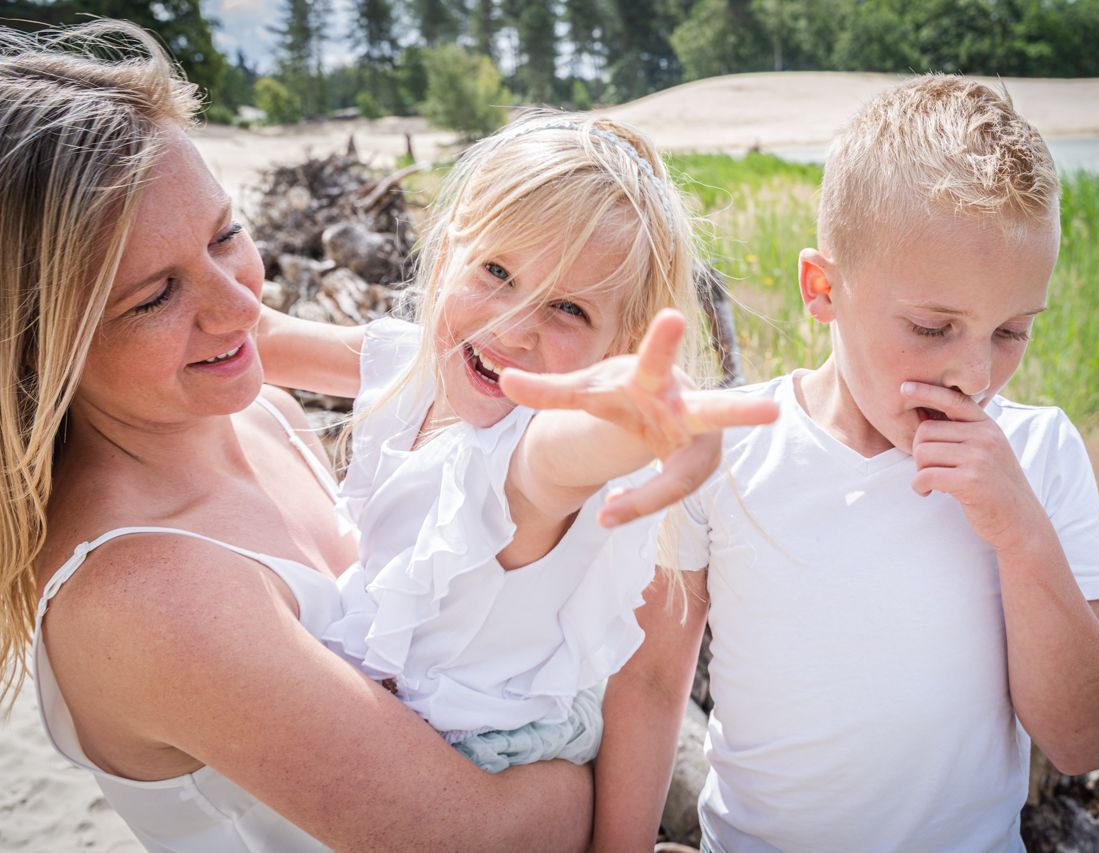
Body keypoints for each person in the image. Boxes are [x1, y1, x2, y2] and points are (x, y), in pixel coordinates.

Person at [0, 21, 610, 852]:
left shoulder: (250, 409)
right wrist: (593, 727)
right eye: (155, 296)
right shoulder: (148, 594)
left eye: (226, 235)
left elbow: (411, 371)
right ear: (32, 345)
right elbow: (493, 838)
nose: (237, 306)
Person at [605, 75, 1099, 851]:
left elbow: (1086, 739)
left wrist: (1021, 535)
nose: (975, 374)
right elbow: (652, 683)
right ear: (822, 288)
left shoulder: (1040, 456)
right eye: (931, 326)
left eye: (1012, 331)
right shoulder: (726, 450)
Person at [256, 111, 777, 778]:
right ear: (447, 256)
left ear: (615, 350)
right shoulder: (412, 361)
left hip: (478, 757)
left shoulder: (530, 459)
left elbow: (560, 461)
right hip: (382, 710)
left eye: (569, 309)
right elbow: (261, 338)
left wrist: (643, 417)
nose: (512, 325)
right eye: (497, 270)